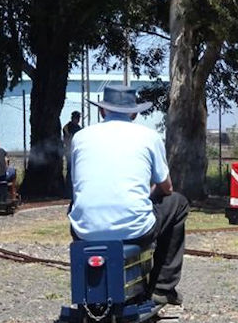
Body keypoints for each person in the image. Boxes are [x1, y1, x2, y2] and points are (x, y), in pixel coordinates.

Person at [68, 85, 189, 306]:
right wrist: (148, 196)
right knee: (178, 203)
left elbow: (77, 186)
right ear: (134, 113)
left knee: (75, 204)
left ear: (103, 111)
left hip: (84, 231)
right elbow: (167, 188)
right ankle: (163, 286)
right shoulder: (149, 136)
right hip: (134, 231)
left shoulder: (80, 137)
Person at [62, 111, 82, 191]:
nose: (78, 120)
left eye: (78, 118)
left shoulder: (79, 128)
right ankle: (68, 190)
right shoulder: (67, 127)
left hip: (77, 151)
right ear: (73, 118)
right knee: (70, 170)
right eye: (77, 118)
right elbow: (67, 139)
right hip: (69, 151)